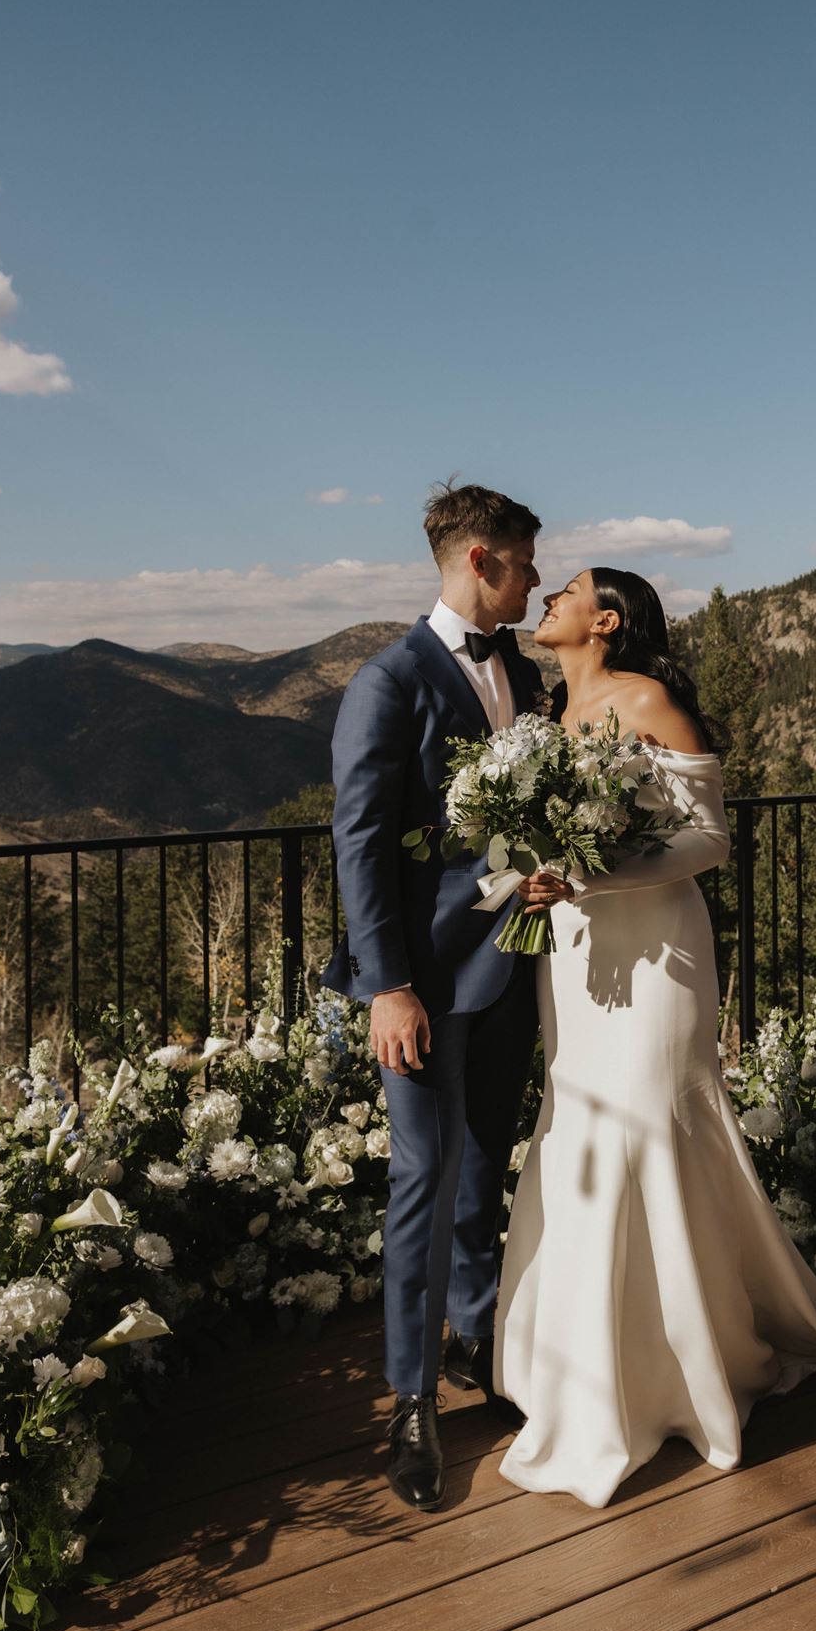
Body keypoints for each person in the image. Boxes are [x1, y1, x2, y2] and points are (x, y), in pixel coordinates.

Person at [492, 566, 816, 1509]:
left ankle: (686, 1359)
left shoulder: (646, 699)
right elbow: (540, 839)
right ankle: (587, 1368)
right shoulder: (542, 722)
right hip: (572, 956)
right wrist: (528, 877)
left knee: (653, 1124)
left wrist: (591, 877)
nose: (547, 604)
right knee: (577, 1124)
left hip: (655, 951)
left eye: (563, 593)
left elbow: (706, 840)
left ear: (604, 621)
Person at [322, 481, 546, 1512]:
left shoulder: (527, 676)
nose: (536, 578)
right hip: (421, 985)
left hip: (511, 964)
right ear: (478, 558)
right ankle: (410, 1398)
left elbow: (509, 822)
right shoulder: (389, 680)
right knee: (422, 1173)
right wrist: (389, 987)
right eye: (524, 560)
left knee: (484, 1161)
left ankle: (475, 1339)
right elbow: (362, 847)